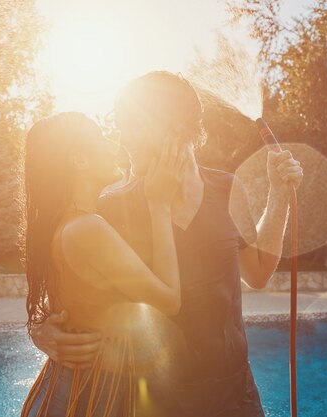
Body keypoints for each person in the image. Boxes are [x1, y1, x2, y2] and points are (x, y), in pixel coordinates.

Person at [29, 71, 304, 417]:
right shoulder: (112, 205)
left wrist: (278, 195)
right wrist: (39, 328)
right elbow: (66, 279)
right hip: (153, 400)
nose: (123, 139)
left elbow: (260, 271)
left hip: (236, 395)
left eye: (132, 125)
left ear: (175, 127)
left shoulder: (227, 189)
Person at [21, 111, 189, 417]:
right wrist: (160, 205)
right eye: (102, 139)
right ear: (80, 160)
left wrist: (39, 328)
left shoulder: (66, 223)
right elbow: (169, 300)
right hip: (85, 398)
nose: (113, 145)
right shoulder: (87, 229)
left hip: (70, 391)